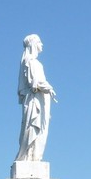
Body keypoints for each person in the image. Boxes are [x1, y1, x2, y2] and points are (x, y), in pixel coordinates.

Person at [15, 34, 57, 162]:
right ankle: (28, 156)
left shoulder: (32, 61)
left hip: (39, 99)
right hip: (34, 100)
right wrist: (49, 88)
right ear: (33, 44)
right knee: (32, 128)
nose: (42, 44)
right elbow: (35, 82)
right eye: (39, 42)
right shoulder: (31, 61)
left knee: (36, 129)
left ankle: (34, 156)